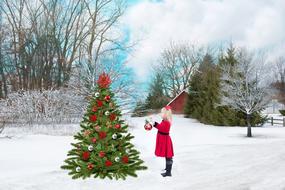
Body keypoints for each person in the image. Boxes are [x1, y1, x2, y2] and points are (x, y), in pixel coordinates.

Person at [153, 106, 174, 177]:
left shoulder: (167, 123)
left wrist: (154, 124)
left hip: (165, 141)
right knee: (167, 155)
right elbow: (160, 127)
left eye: (162, 113)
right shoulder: (164, 121)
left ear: (166, 114)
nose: (161, 114)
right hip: (163, 140)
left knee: (168, 156)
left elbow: (161, 128)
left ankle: (168, 172)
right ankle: (167, 168)